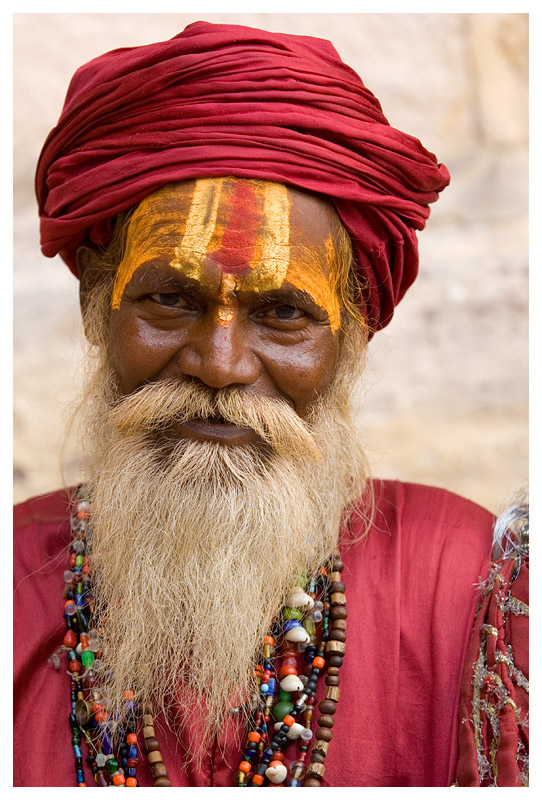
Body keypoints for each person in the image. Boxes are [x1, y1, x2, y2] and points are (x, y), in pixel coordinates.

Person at [13, 21, 528, 788]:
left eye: (283, 312)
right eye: (169, 299)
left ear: (351, 335)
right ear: (98, 303)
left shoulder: (466, 589)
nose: (220, 365)